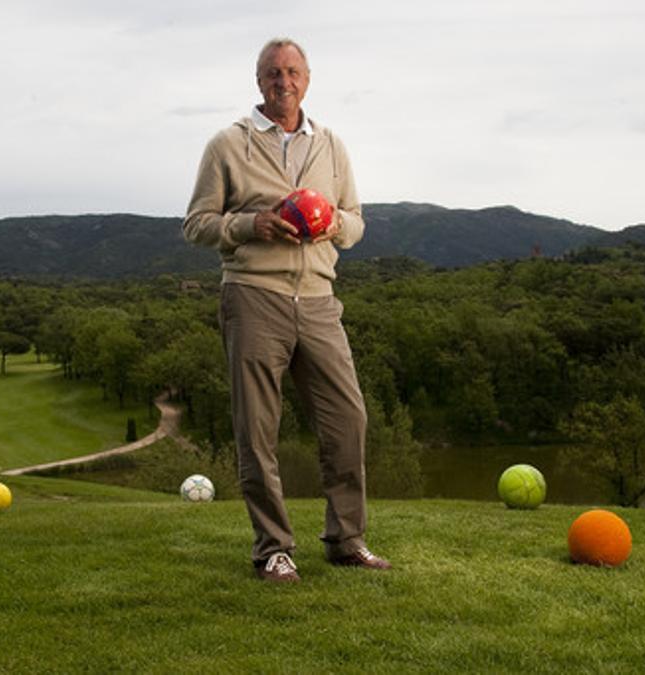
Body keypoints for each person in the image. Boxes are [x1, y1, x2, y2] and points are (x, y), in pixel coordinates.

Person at [183, 38, 390, 582]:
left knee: (348, 419)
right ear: (259, 81)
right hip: (253, 296)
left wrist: (332, 224)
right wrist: (254, 224)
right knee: (257, 431)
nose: (284, 81)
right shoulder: (228, 145)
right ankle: (273, 549)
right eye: (273, 72)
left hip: (320, 300)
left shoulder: (330, 145)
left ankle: (346, 539)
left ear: (308, 79)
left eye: (293, 71)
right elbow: (197, 224)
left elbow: (357, 221)